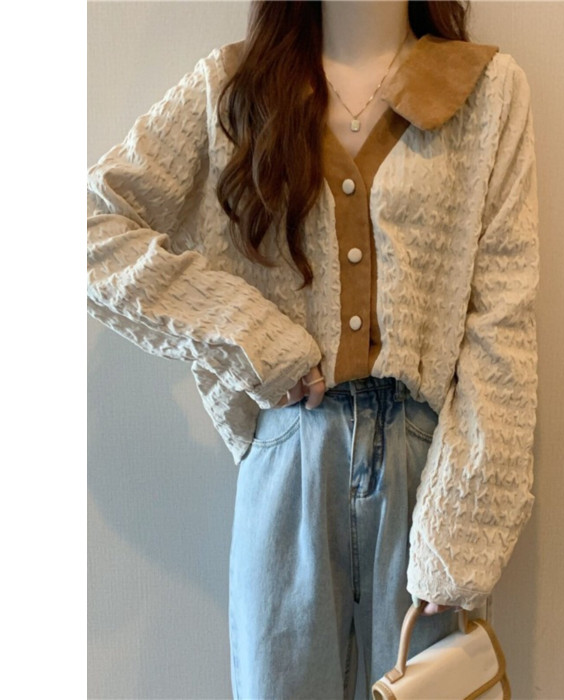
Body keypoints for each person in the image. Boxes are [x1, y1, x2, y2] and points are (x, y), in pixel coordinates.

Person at [87, 0, 539, 697]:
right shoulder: (234, 90)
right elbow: (92, 230)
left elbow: (503, 326)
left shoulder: (483, 90)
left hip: (433, 476)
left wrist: (464, 530)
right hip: (288, 461)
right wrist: (251, 335)